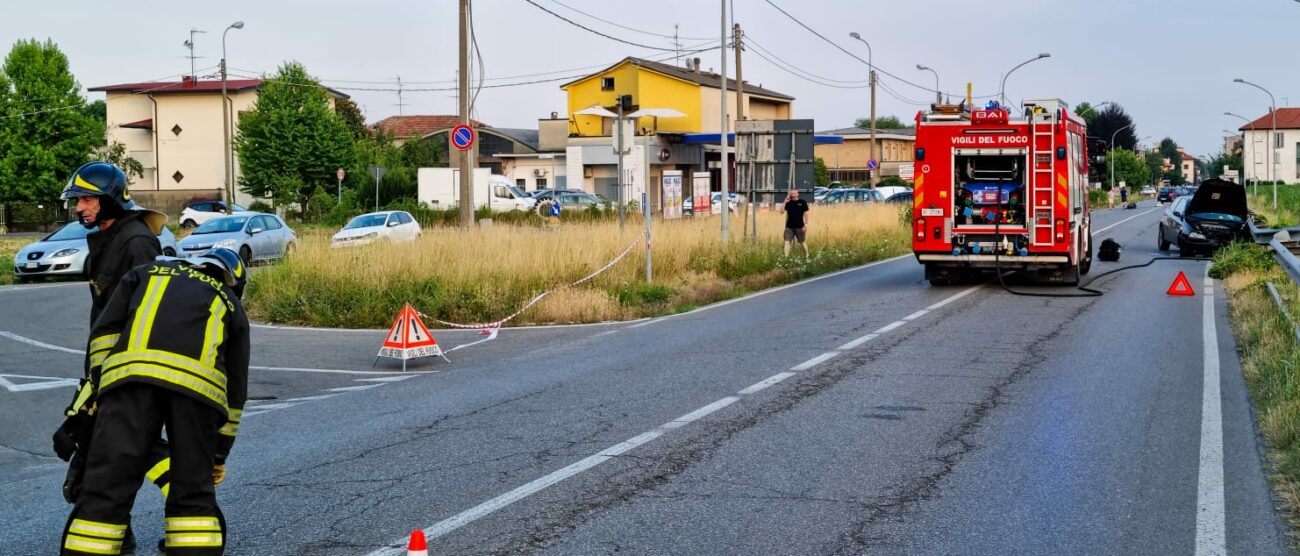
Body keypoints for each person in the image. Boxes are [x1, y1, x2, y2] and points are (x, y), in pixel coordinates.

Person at [59, 248, 250, 556]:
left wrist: (101, 385)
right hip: (197, 394)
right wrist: (217, 455)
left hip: (129, 383)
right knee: (192, 494)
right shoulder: (230, 303)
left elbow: (104, 333)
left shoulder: (144, 273)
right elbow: (236, 391)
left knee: (107, 487)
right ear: (234, 281)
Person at [52, 162, 171, 551]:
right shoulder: (109, 238)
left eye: (86, 199)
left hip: (128, 375)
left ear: (109, 200)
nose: (79, 208)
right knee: (96, 457)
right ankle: (121, 532)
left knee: (106, 459)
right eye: (77, 200)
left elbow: (144, 317)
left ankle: (188, 500)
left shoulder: (136, 242)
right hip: (106, 373)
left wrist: (114, 384)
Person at [780, 189, 810, 257]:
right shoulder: (788, 203)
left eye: (794, 193)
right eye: (792, 194)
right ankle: (786, 258)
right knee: (786, 242)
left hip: (800, 226)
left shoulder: (802, 202)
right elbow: (781, 212)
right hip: (789, 227)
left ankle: (807, 255)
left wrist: (806, 225)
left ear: (797, 194)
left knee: (802, 242)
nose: (793, 195)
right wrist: (784, 202)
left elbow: (806, 214)